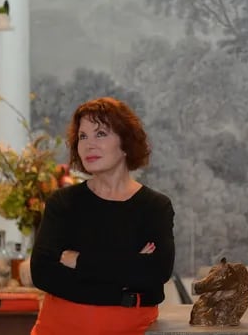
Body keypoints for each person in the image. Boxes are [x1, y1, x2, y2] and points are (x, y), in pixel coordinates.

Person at [30, 97, 175, 335]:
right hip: (59, 327)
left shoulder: (155, 206)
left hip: (131, 328)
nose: (89, 145)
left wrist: (79, 261)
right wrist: (127, 269)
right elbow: (43, 273)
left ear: (126, 142)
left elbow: (156, 272)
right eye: (83, 136)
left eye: (100, 134)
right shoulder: (63, 203)